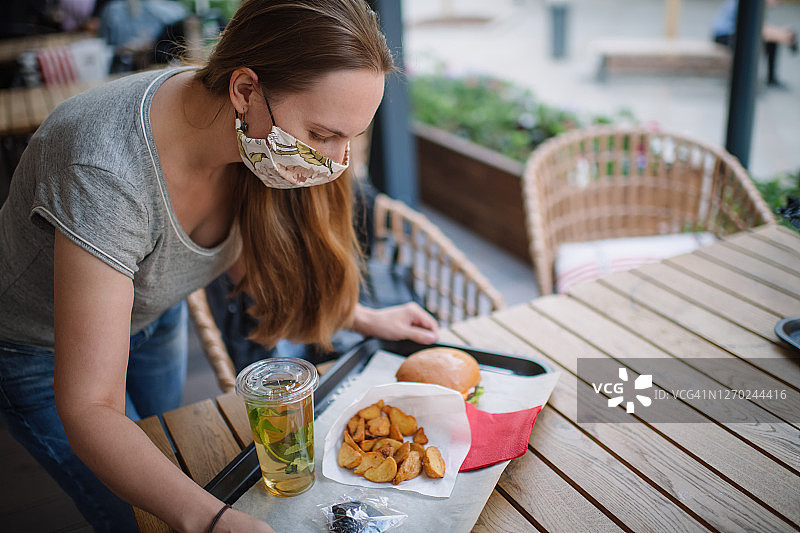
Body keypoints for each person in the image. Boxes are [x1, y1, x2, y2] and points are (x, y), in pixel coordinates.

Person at [0, 0, 440, 531]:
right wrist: (211, 522)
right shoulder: (103, 168)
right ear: (246, 90)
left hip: (155, 313)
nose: (336, 163)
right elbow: (91, 410)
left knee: (174, 455)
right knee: (140, 516)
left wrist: (364, 318)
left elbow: (252, 267)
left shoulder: (252, 141)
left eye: (352, 138)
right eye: (323, 135)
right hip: (34, 348)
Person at [711, 0, 798, 88]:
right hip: (724, 34)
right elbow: (759, 29)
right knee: (747, 43)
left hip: (737, 33)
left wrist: (781, 33)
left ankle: (771, 78)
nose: (777, 4)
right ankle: (741, 78)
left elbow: (762, 26)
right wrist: (782, 36)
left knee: (772, 40)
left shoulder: (757, 5)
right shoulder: (751, 4)